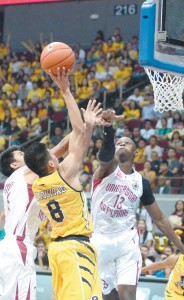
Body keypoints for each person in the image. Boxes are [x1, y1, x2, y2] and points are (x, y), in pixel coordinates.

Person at [24, 67, 114, 300]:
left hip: (57, 250)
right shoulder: (66, 173)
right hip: (76, 247)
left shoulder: (35, 183)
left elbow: (73, 140)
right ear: (53, 164)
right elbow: (76, 130)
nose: (58, 154)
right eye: (53, 155)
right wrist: (65, 91)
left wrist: (88, 129)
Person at [0, 69, 87, 300]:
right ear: (15, 166)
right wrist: (83, 121)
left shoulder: (13, 183)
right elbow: (63, 146)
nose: (25, 153)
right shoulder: (24, 173)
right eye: (20, 154)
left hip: (9, 245)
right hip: (19, 246)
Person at [90, 117, 184, 300]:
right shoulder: (106, 170)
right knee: (108, 296)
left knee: (127, 297)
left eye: (127, 143)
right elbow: (105, 155)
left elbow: (160, 219)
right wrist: (109, 129)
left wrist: (181, 245)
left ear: (136, 152)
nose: (122, 144)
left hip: (127, 241)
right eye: (119, 143)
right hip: (100, 239)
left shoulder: (141, 182)